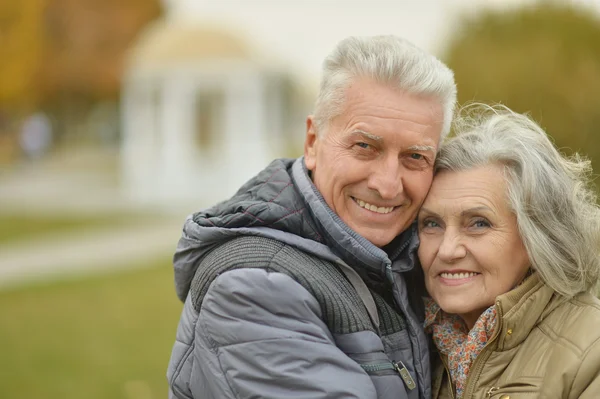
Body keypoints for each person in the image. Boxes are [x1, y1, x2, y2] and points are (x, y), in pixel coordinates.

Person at [167, 35, 456, 399]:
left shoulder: (414, 260)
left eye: (415, 157)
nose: (387, 185)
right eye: (365, 146)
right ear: (312, 142)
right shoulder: (256, 286)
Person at [418, 105, 600, 398]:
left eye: (478, 223)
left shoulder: (592, 350)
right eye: (431, 224)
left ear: (536, 236)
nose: (448, 249)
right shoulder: (413, 342)